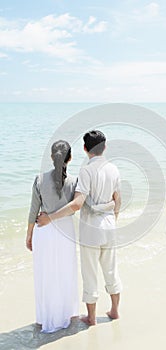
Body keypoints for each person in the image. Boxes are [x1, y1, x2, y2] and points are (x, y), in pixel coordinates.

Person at [37, 130, 123, 326]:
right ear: (105, 147)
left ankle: (91, 318)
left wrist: (50, 217)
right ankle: (115, 311)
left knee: (90, 273)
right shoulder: (114, 169)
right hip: (110, 227)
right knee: (111, 270)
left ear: (85, 149)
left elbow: (77, 204)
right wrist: (112, 218)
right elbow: (118, 200)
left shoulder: (86, 171)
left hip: (91, 230)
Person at [26, 140, 79, 333]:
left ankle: (46, 317)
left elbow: (33, 211)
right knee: (64, 273)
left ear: (51, 157)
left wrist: (29, 234)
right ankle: (65, 315)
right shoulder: (74, 181)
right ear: (70, 158)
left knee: (46, 275)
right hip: (66, 232)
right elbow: (75, 207)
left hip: (44, 232)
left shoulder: (39, 179)